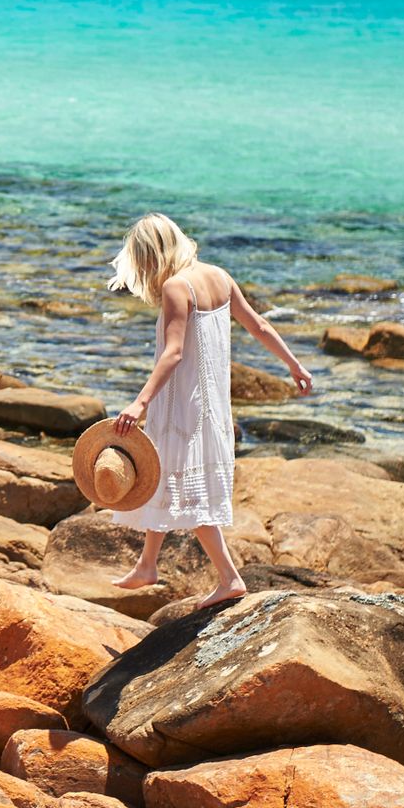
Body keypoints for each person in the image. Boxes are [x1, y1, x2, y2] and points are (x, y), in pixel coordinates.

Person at [104, 213, 313, 608]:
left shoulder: (175, 286)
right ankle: (147, 564)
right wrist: (294, 365)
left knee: (189, 492)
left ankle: (229, 577)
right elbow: (259, 327)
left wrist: (140, 401)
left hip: (181, 404)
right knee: (162, 476)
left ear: (152, 255)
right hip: (211, 404)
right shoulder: (218, 275)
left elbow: (174, 352)